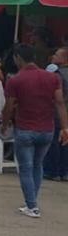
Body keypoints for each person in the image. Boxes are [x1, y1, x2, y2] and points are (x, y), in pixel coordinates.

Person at [0, 43, 68, 218]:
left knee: (26, 168)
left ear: (18, 58)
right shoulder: (52, 78)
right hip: (47, 129)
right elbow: (60, 102)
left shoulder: (15, 80)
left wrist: (5, 123)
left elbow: (8, 106)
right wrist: (65, 127)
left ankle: (32, 205)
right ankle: (32, 201)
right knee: (38, 165)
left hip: (25, 128)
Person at [44, 47, 68, 181]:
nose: (53, 56)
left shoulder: (57, 75)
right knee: (66, 143)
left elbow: (57, 97)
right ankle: (65, 171)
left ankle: (52, 171)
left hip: (58, 113)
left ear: (65, 59)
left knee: (54, 143)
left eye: (57, 55)